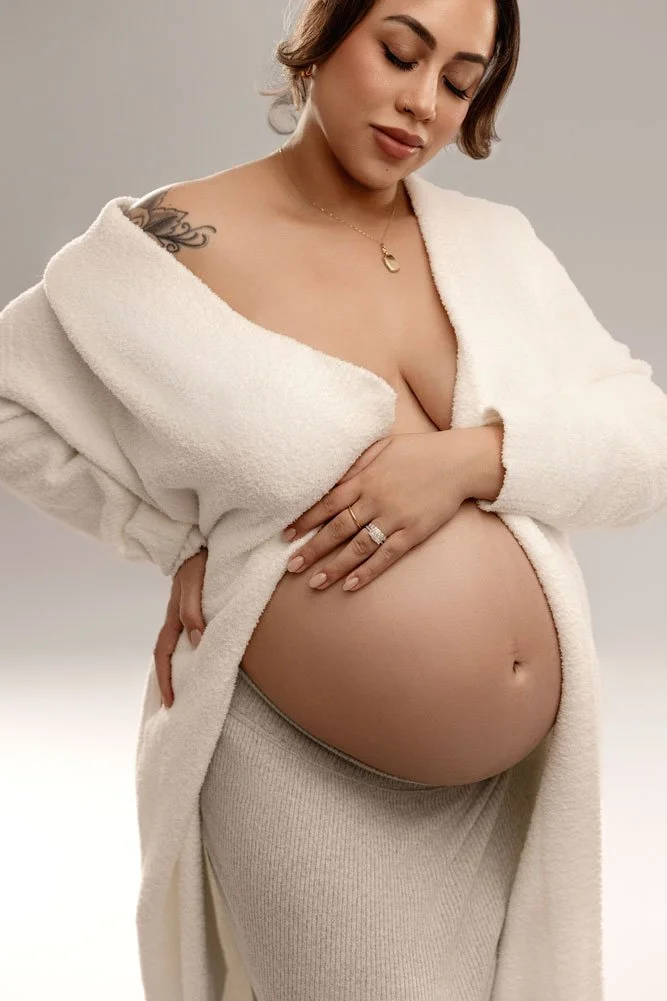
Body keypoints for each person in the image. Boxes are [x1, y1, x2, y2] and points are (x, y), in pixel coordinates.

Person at [2, 1, 666, 999]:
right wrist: (164, 534)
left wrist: (473, 458)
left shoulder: (494, 245)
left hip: (516, 795)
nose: (421, 103)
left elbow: (645, 438)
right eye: (398, 52)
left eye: (458, 79)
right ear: (322, 30)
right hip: (297, 773)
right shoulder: (170, 244)